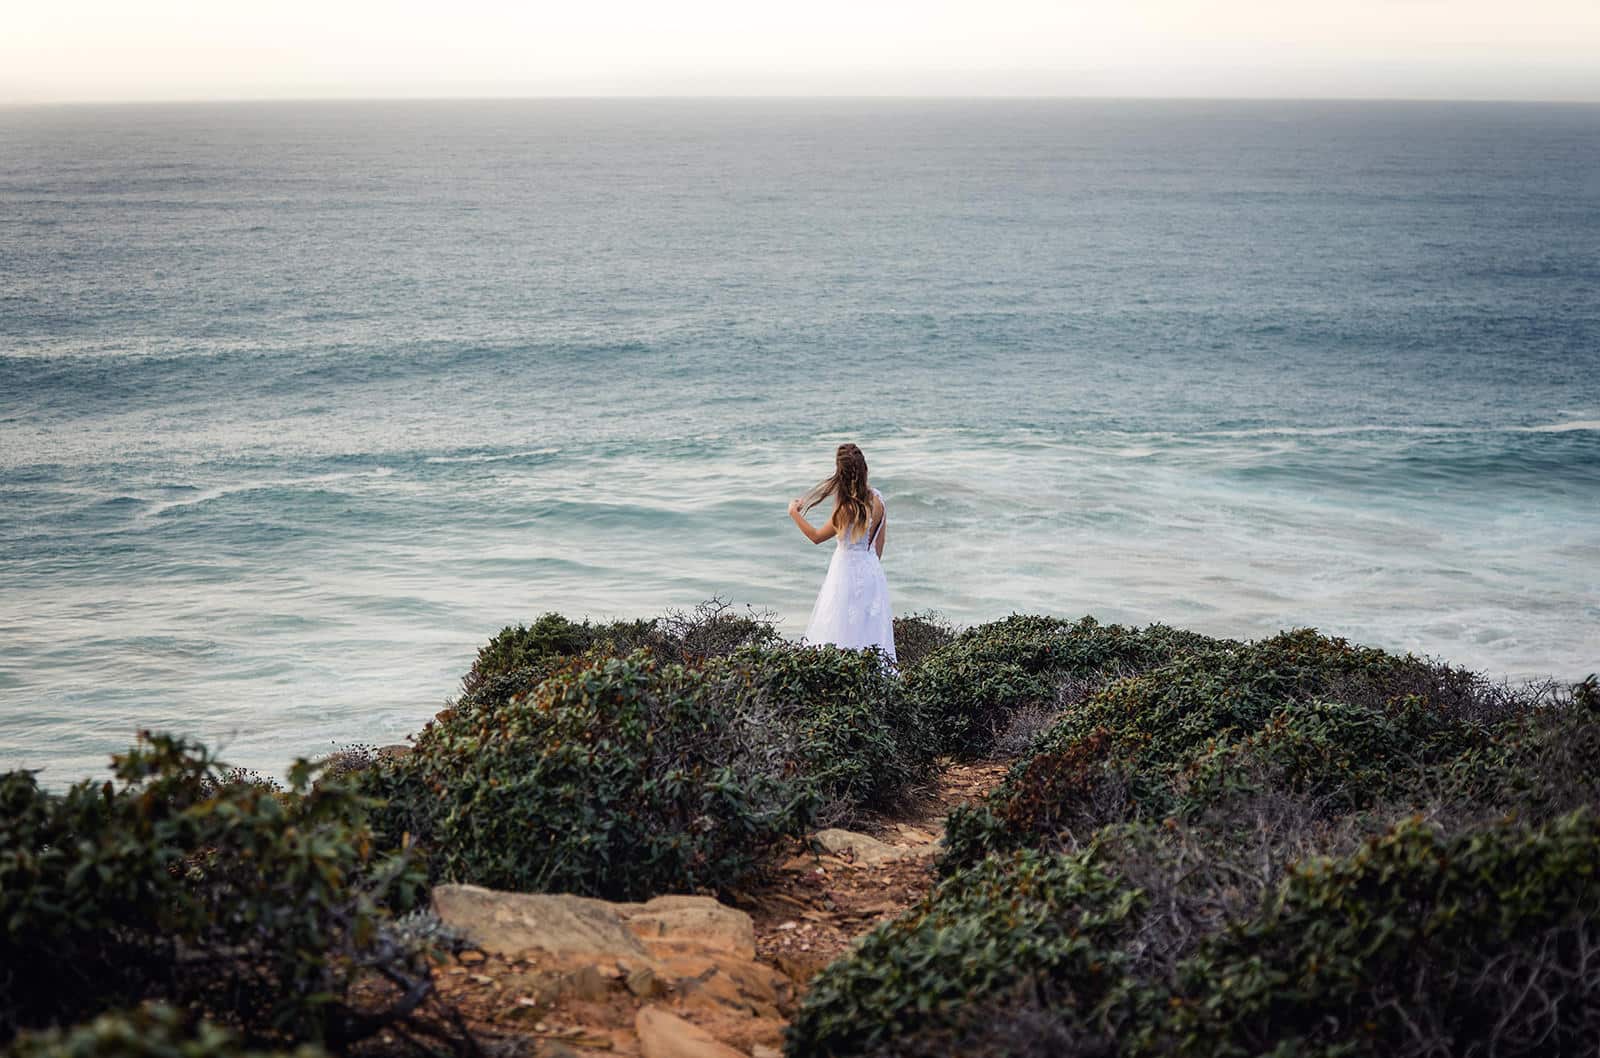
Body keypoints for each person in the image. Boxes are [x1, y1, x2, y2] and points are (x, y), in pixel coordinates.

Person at [787, 442, 896, 663]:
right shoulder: (878, 500)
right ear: (864, 469)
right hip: (872, 571)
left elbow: (817, 537)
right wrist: (868, 569)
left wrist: (794, 513)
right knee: (870, 630)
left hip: (845, 572)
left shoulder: (846, 510)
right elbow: (879, 545)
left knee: (839, 628)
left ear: (841, 475)